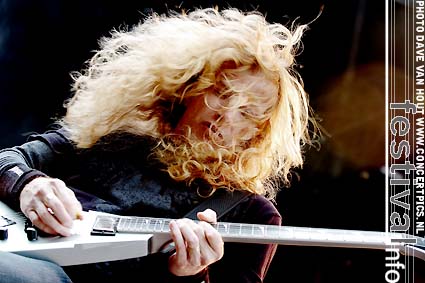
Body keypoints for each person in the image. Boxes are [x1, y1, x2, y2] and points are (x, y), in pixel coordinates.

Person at [0, 7, 315, 283]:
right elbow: (8, 160)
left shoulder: (253, 214)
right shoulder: (110, 140)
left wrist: (190, 275)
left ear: (258, 133)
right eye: (222, 92)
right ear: (188, 87)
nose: (227, 115)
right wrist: (27, 185)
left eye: (247, 112)